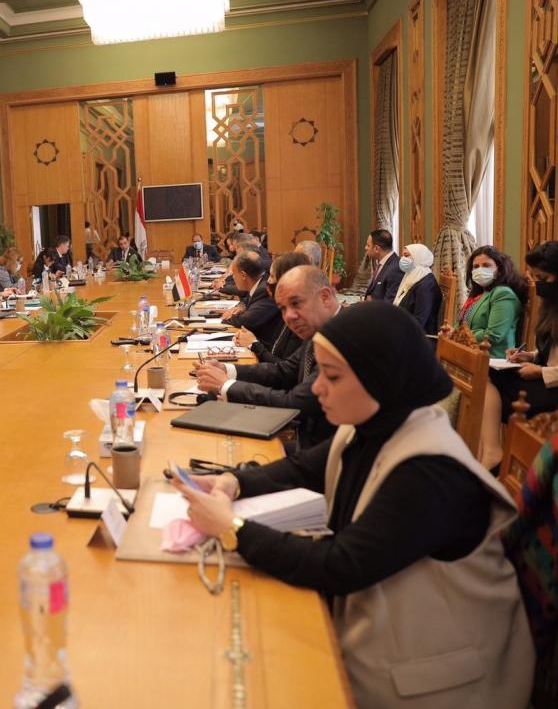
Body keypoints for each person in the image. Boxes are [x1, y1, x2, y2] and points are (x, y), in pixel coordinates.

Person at [174, 301, 532, 709]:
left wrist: (231, 528)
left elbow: (340, 565)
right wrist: (231, 482)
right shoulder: (376, 426)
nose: (318, 388)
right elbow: (301, 469)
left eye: (332, 376)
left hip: (439, 681)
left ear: (379, 379)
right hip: (388, 635)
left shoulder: (430, 473)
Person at [196, 265, 340, 448]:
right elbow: (285, 371)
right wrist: (228, 370)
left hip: (318, 448)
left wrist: (226, 385)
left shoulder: (342, 337)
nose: (289, 316)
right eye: (283, 309)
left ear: (325, 297)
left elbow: (296, 402)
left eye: (296, 303)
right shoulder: (318, 329)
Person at [481, 241, 558, 467]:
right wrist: (530, 356)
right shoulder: (557, 302)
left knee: (495, 391)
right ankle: (493, 452)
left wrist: (544, 372)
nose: (539, 285)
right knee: (486, 376)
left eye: (544, 279)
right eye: (535, 278)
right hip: (554, 381)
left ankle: (498, 456)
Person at [236, 251, 310, 363]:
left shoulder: (300, 319)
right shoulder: (286, 311)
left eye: (271, 276)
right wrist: (250, 340)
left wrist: (254, 344)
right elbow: (275, 347)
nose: (268, 281)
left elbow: (285, 369)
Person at [454, 246, 527, 357]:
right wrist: (452, 331)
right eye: (476, 267)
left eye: (486, 265)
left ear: (499, 270)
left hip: (493, 359)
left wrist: (459, 335)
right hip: (471, 352)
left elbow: (493, 335)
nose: (480, 270)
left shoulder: (503, 294)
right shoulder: (479, 293)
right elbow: (462, 322)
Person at [222, 250, 282, 347]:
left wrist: (229, 317)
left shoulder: (265, 290)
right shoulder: (258, 285)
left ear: (243, 275)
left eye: (233, 274)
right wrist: (241, 306)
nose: (233, 278)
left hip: (266, 349)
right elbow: (245, 300)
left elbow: (245, 321)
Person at [393, 243, 442, 334]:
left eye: (406, 255)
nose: (402, 259)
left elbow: (419, 321)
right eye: (403, 255)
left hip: (420, 339)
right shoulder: (413, 276)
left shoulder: (427, 285)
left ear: (418, 257)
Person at [363, 228, 403, 302]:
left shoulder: (395, 268)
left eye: (368, 245)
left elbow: (390, 304)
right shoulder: (382, 264)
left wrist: (370, 304)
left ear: (376, 249)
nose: (365, 248)